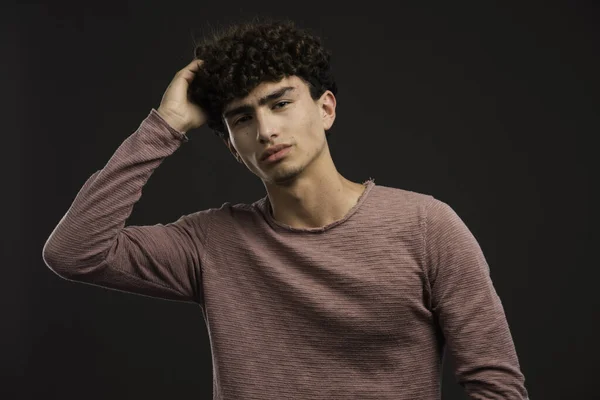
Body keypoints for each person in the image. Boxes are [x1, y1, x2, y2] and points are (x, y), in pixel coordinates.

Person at [42, 19, 529, 400]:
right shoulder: (211, 243)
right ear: (234, 146)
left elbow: (497, 385)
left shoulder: (427, 227)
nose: (267, 130)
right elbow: (74, 252)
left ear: (326, 109)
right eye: (243, 119)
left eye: (279, 103)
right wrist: (165, 125)